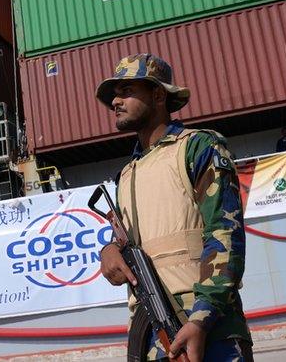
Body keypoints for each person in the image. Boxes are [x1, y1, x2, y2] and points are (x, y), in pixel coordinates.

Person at [95, 54, 252, 362]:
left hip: (207, 331)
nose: (116, 100)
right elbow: (131, 241)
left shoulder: (198, 148)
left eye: (127, 91)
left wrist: (200, 320)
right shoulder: (127, 174)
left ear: (157, 95)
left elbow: (225, 232)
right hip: (152, 336)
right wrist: (109, 252)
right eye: (115, 94)